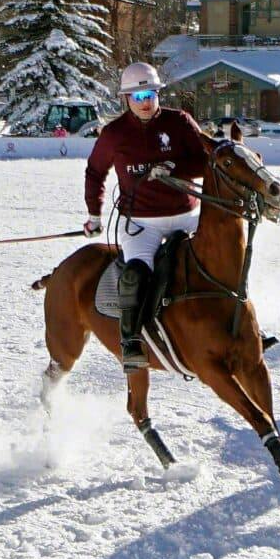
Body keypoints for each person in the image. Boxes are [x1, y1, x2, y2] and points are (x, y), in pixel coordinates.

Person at [84, 61, 214, 369]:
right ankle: (130, 342)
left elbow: (206, 161)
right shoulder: (113, 134)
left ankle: (243, 325)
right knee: (136, 273)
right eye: (138, 97)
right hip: (142, 223)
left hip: (186, 215)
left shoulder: (180, 122)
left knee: (224, 253)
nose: (145, 103)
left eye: (151, 95)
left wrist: (175, 169)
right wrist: (94, 215)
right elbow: (95, 172)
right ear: (126, 99)